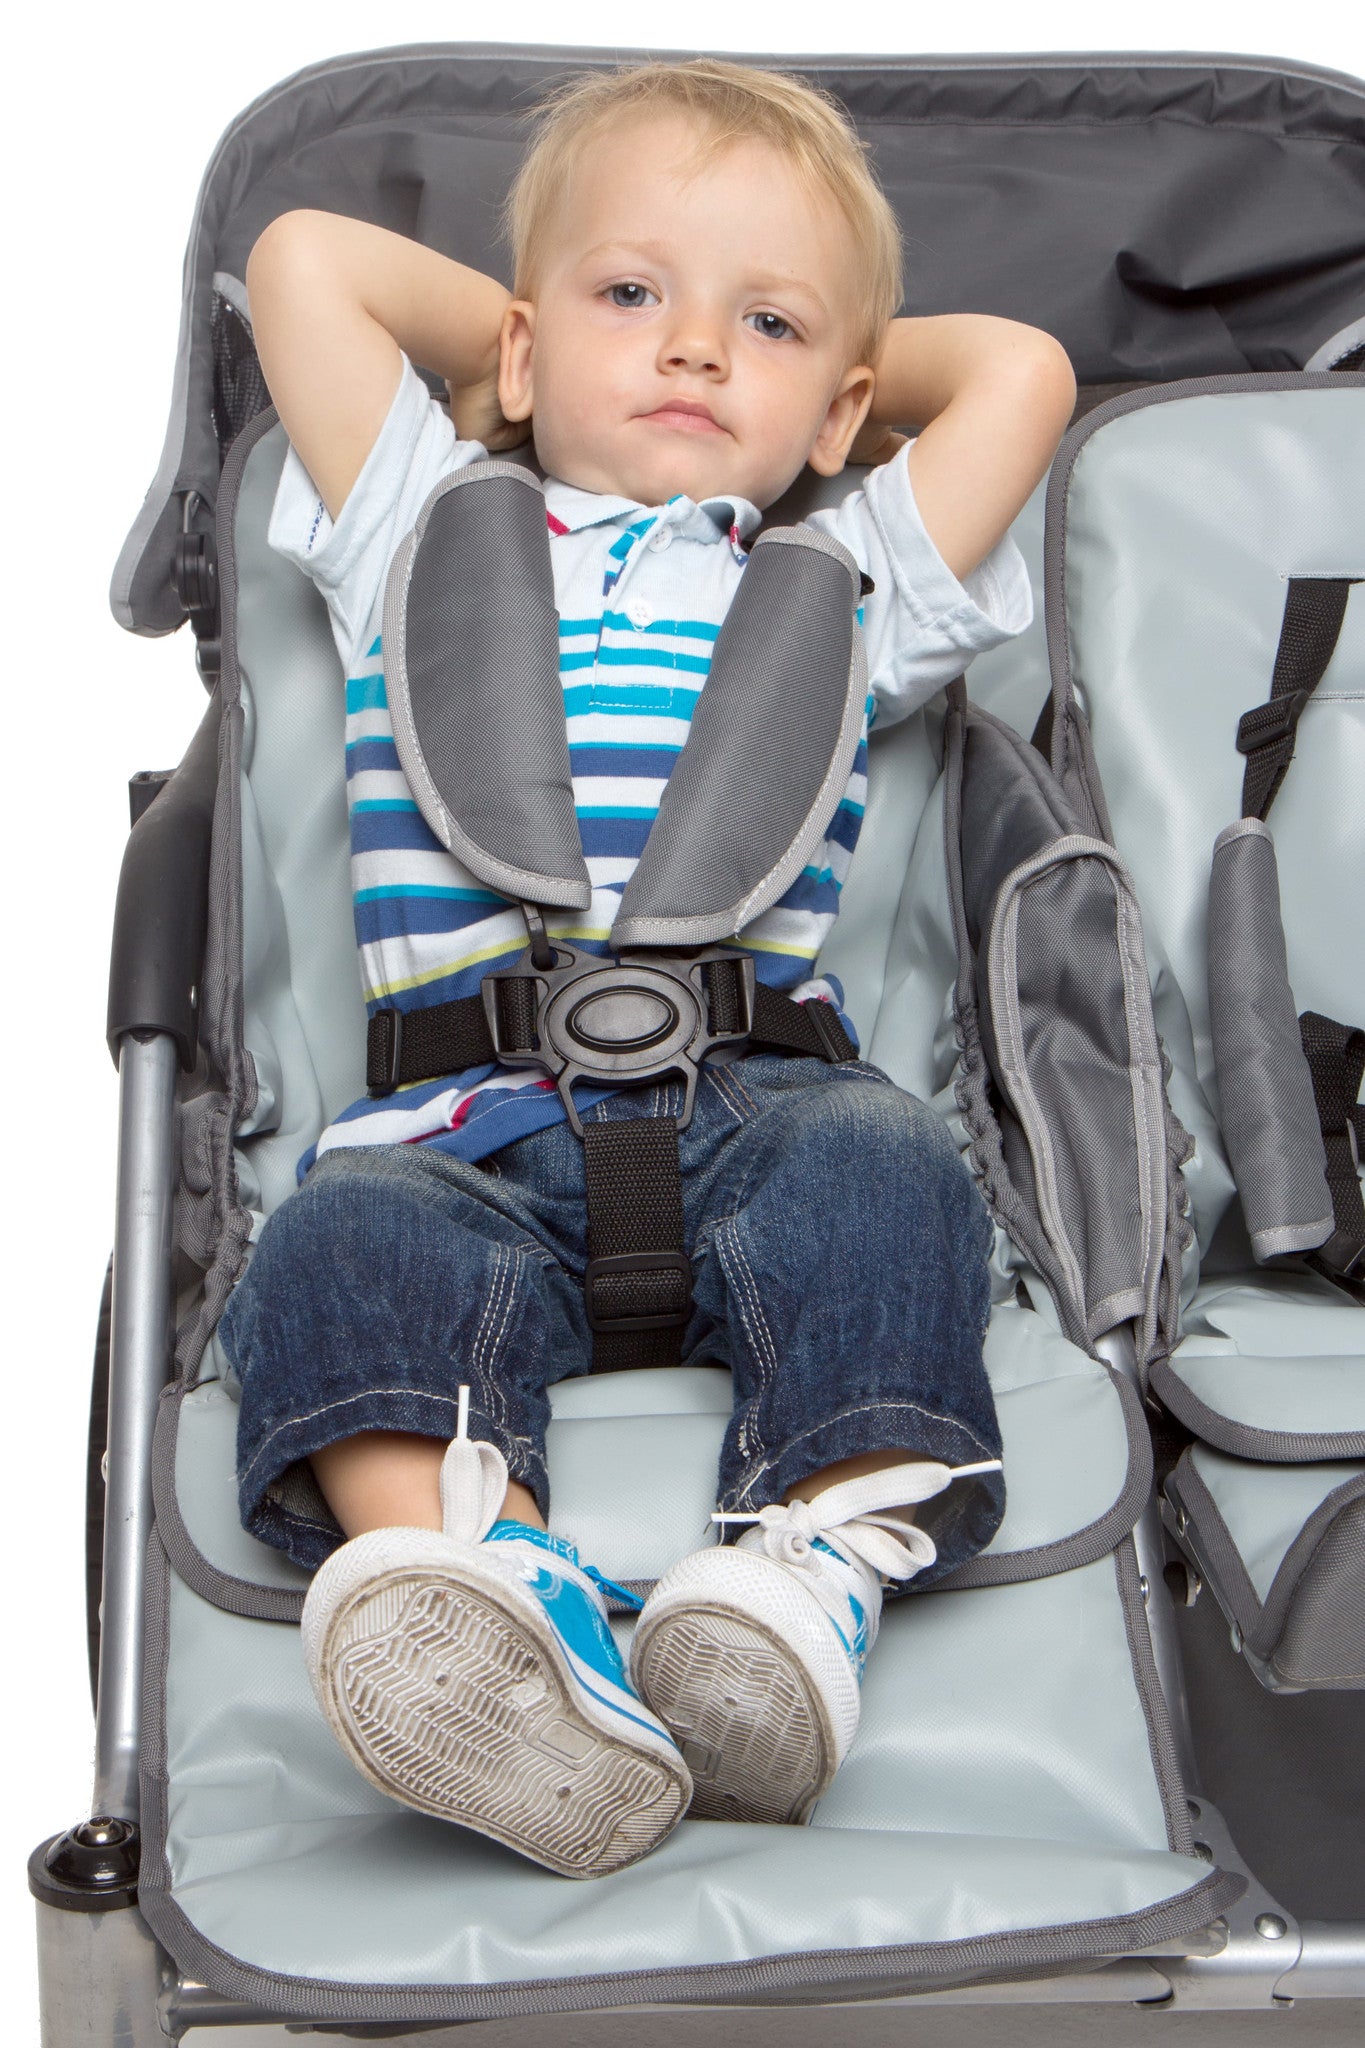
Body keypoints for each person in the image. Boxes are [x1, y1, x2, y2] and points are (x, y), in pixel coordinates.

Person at [221, 57, 1076, 1881]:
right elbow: (303, 257)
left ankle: (799, 1577)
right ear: (524, 353)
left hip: (759, 1102)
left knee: (890, 1170)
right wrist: (527, 355)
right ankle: (474, 1591)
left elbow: (1019, 374)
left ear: (841, 407)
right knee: (335, 1243)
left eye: (762, 325)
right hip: (462, 1124)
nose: (691, 349)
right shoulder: (413, 526)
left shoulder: (849, 578)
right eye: (633, 297)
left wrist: (816, 390)